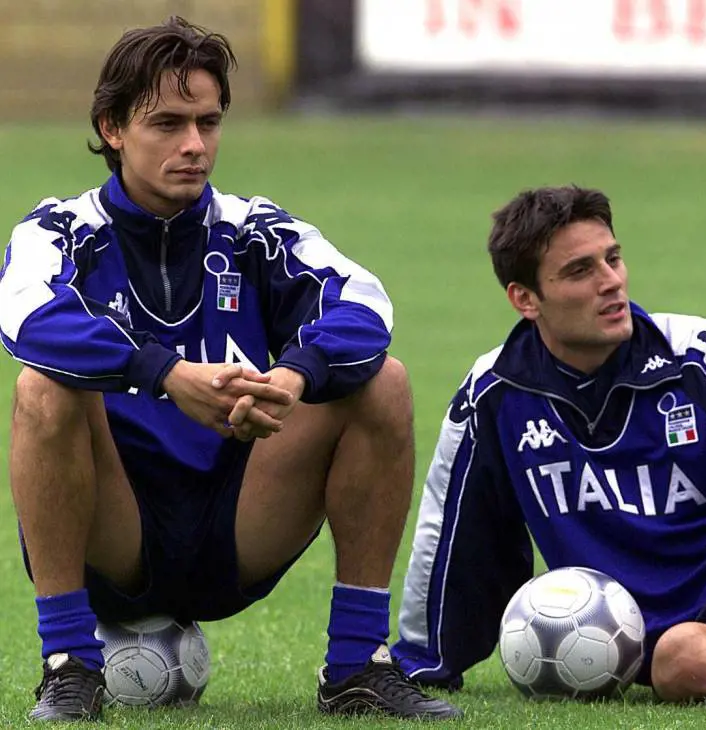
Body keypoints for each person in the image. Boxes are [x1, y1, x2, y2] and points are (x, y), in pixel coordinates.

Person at [0, 16, 461, 723]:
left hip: (237, 523)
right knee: (41, 388)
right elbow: (26, 318)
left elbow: (365, 302)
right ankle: (70, 667)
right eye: (167, 123)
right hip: (115, 531)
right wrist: (165, 373)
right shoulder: (60, 232)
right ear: (112, 128)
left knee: (382, 381)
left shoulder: (254, 232)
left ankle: (356, 667)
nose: (194, 145)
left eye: (208, 122)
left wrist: (295, 375)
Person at [391, 184, 706, 706]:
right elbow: (454, 533)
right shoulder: (495, 394)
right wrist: (424, 661)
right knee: (681, 662)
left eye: (613, 258)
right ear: (525, 299)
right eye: (580, 271)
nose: (611, 282)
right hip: (668, 637)